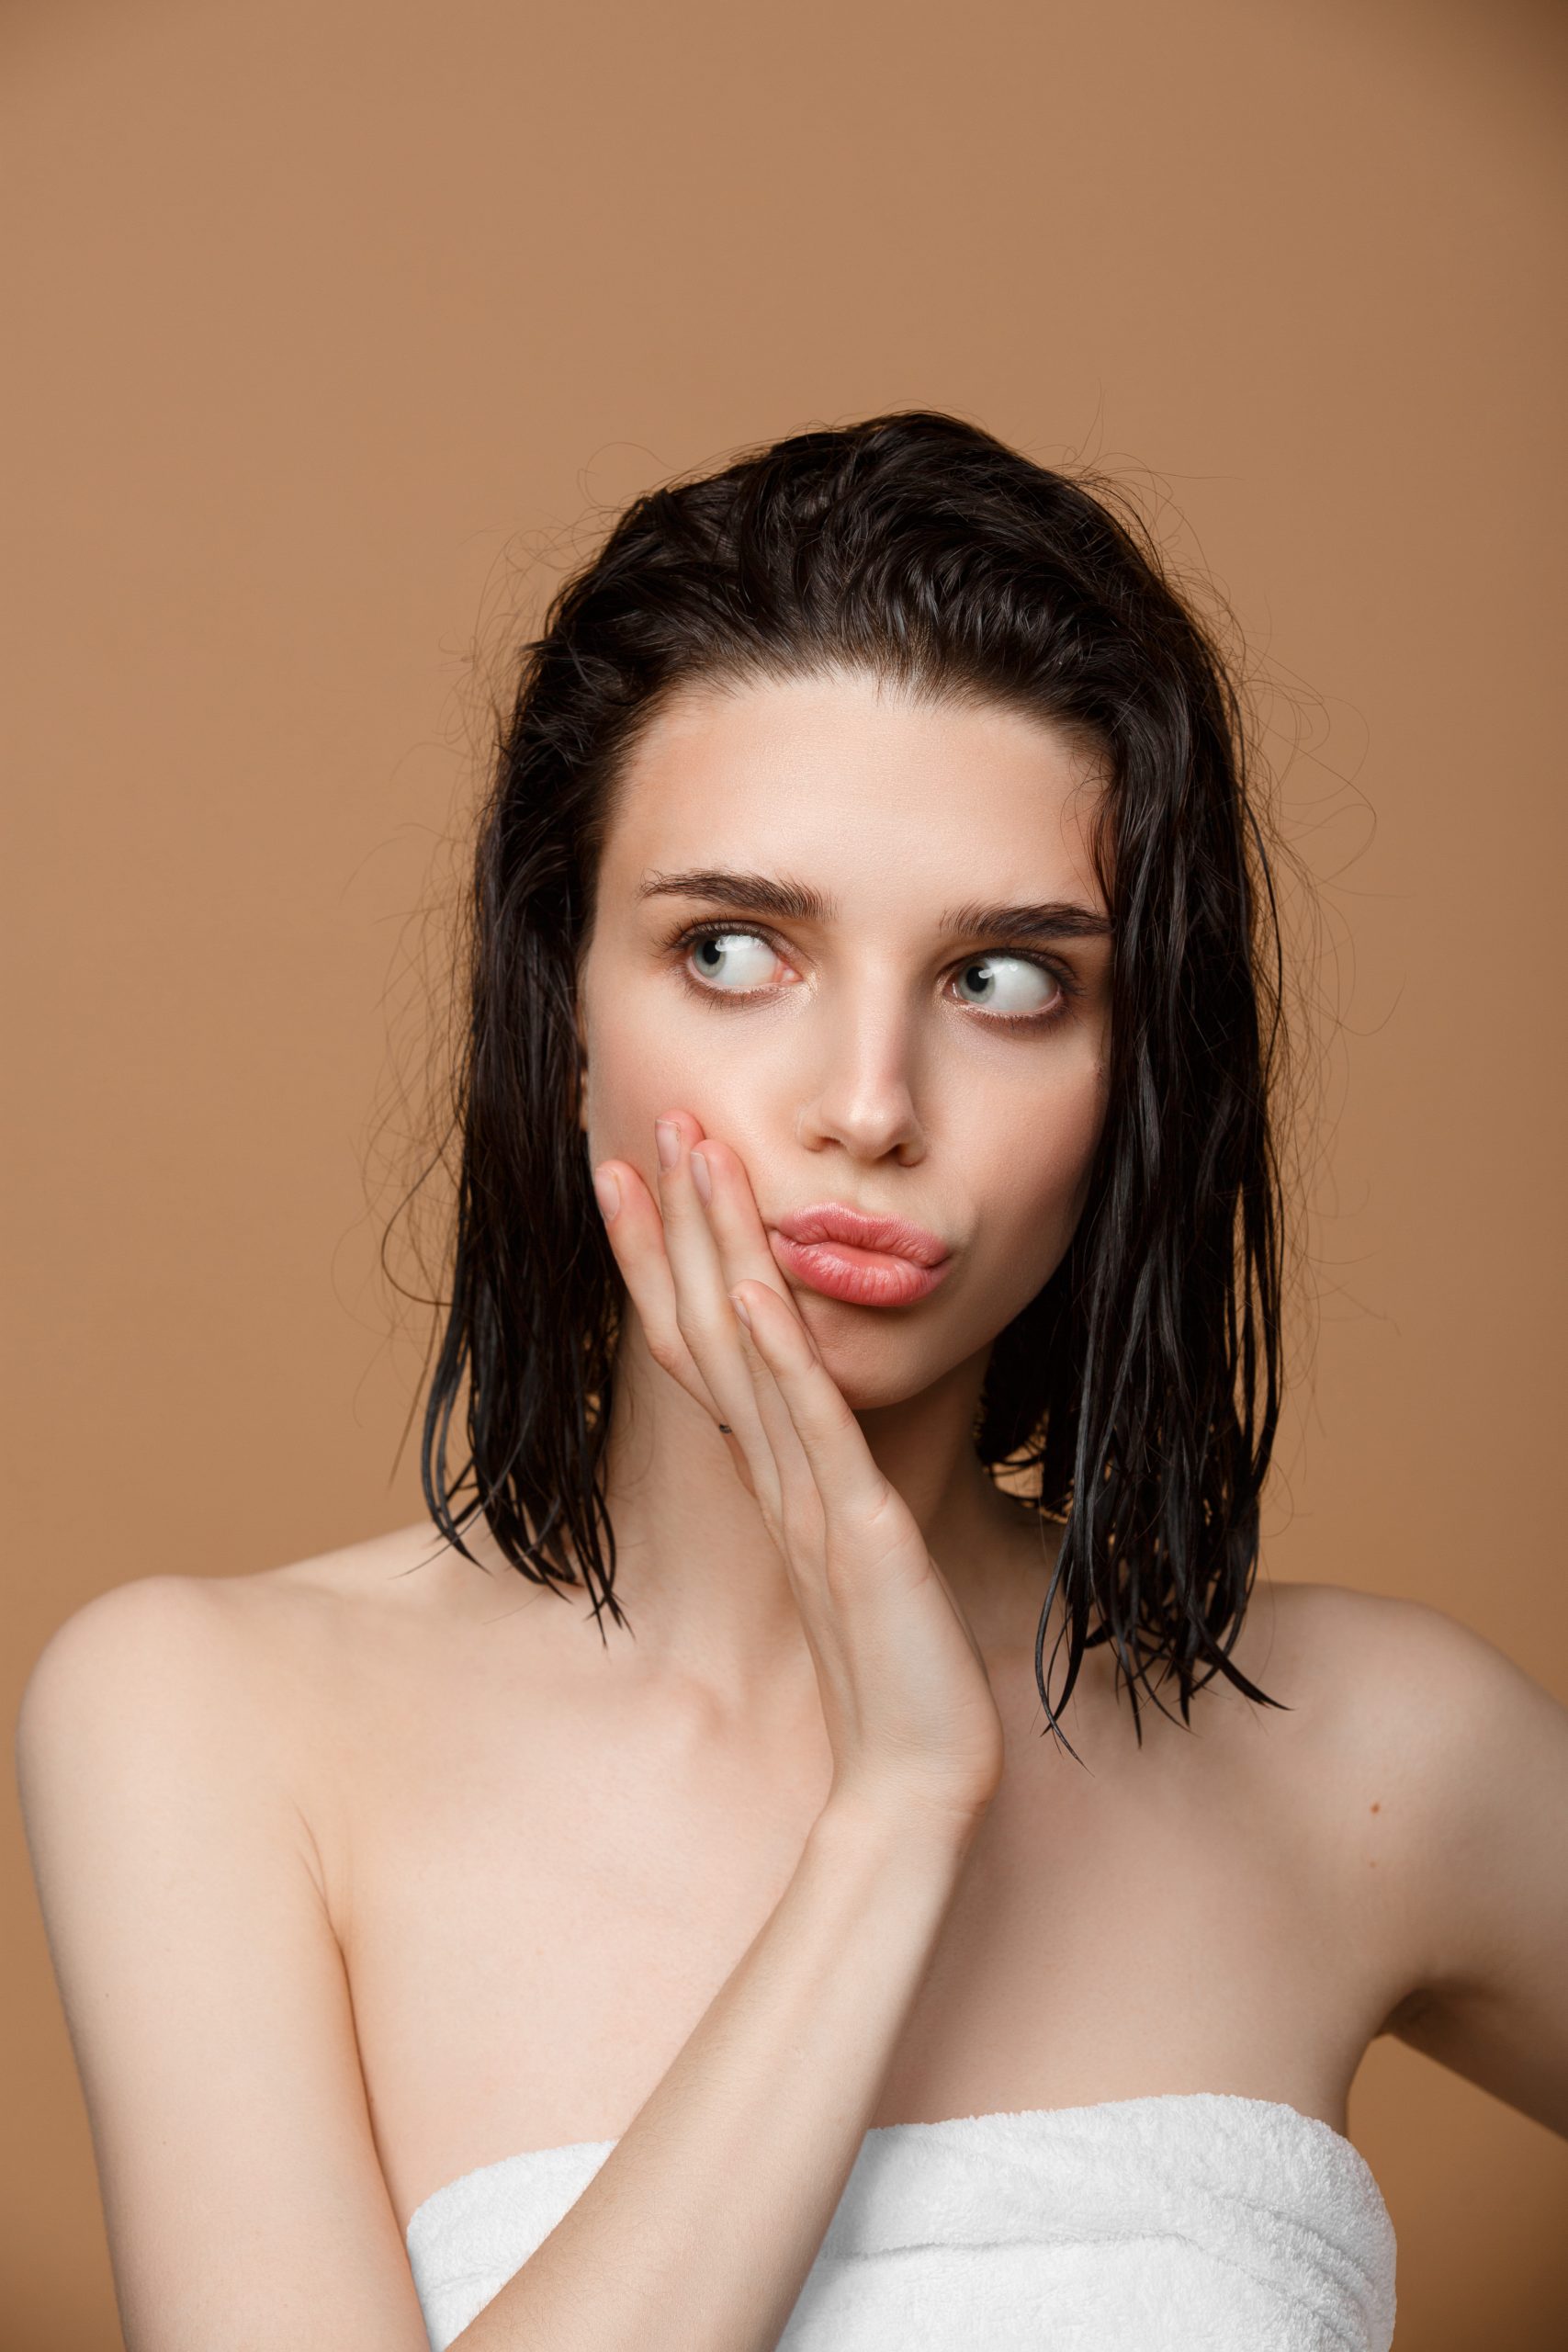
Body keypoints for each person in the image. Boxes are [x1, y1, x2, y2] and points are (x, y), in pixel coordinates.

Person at [17, 412, 1568, 2352]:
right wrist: (897, 1805)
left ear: (1130, 1081)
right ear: (560, 1012)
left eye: (1002, 979)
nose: (866, 1106)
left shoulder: (1362, 1752)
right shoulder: (216, 1724)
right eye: (734, 948)